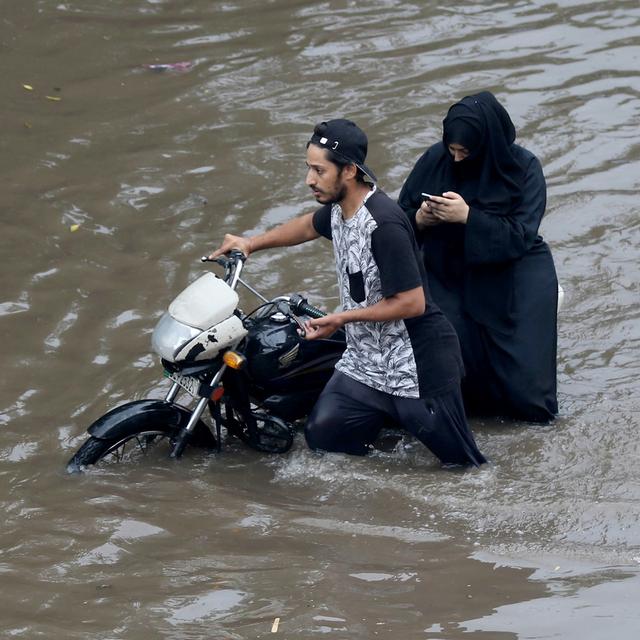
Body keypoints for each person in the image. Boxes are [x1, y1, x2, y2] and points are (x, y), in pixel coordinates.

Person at [209, 118, 486, 467]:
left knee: (463, 466)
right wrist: (250, 243)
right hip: (365, 363)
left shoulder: (384, 225)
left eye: (318, 170)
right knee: (324, 436)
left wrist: (340, 319)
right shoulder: (341, 211)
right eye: (309, 169)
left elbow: (412, 303)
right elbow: (309, 225)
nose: (309, 179)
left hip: (416, 366)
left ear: (349, 171)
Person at [398, 91, 558, 423]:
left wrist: (469, 216)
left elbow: (520, 234)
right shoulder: (434, 159)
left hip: (514, 272)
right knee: (455, 362)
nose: (456, 160)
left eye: (465, 152)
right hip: (450, 270)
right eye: (452, 150)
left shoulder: (524, 169)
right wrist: (420, 219)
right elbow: (399, 217)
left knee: (527, 394)